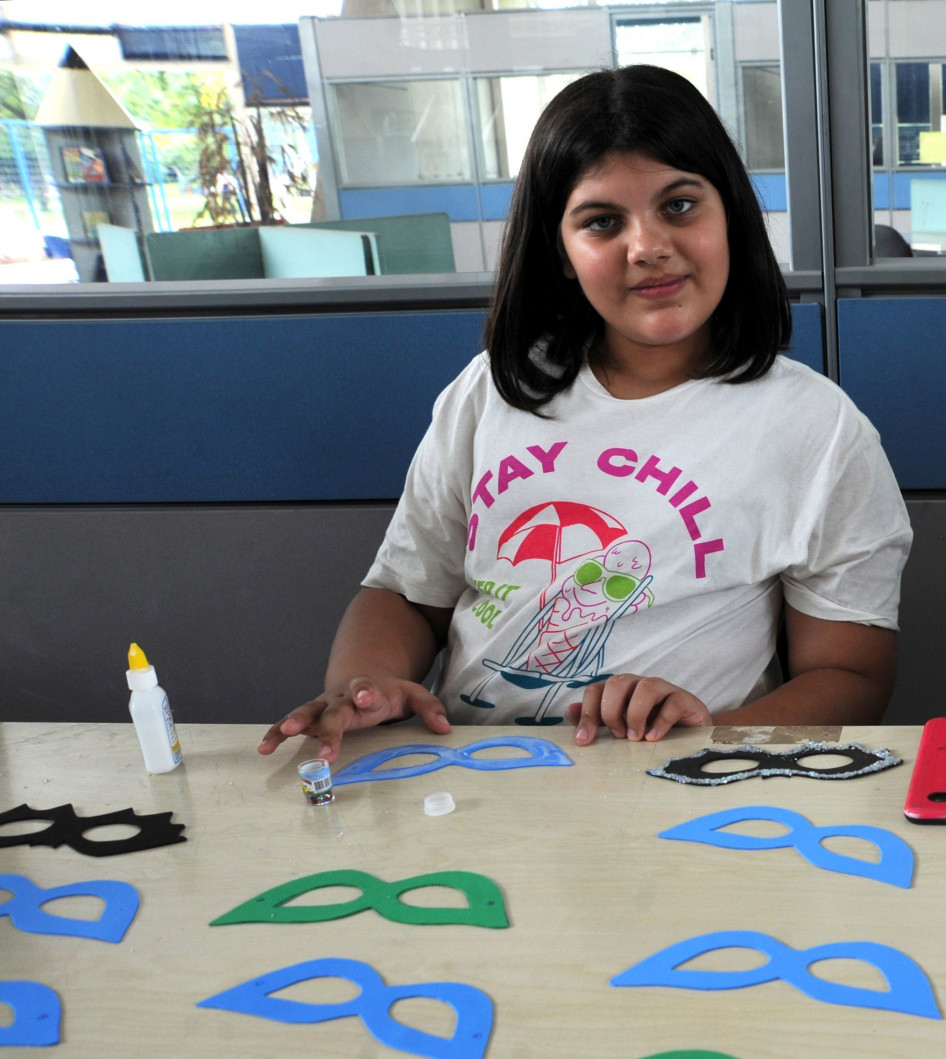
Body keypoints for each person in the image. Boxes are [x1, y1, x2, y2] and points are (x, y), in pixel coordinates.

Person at [261, 66, 910, 761]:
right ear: (562, 254)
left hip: (672, 779)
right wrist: (367, 687)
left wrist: (710, 731)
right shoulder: (493, 390)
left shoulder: (815, 425)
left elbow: (850, 674)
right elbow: (407, 592)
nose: (648, 246)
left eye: (680, 206)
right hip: (468, 773)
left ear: (731, 217)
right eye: (602, 222)